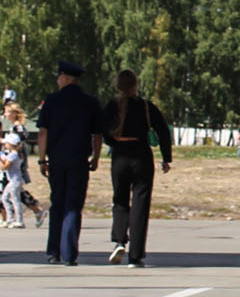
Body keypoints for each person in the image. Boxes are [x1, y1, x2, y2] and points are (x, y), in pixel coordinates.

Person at [102, 68, 172, 267]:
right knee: (141, 202)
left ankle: (119, 240)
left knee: (120, 200)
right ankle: (136, 255)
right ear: (136, 85)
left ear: (117, 86)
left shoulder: (111, 106)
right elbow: (162, 131)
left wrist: (113, 142)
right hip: (141, 154)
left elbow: (103, 131)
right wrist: (166, 158)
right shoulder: (146, 106)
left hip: (120, 155)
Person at [36, 60, 103, 265]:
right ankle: (69, 253)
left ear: (66, 77)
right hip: (79, 160)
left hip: (57, 160)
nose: (57, 80)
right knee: (73, 206)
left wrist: (42, 159)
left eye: (59, 76)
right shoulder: (90, 102)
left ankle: (53, 252)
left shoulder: (52, 101)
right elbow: (97, 134)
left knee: (58, 204)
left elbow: (43, 132)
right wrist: (96, 157)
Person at [0, 125, 29, 229]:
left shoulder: (13, 154)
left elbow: (5, 167)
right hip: (13, 180)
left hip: (14, 181)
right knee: (5, 198)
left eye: (6, 143)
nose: (5, 144)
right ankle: (11, 219)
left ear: (11, 144)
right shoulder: (15, 153)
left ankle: (19, 221)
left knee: (14, 200)